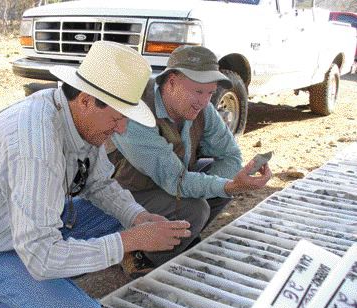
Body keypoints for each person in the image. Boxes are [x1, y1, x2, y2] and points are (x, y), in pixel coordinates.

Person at [0, 41, 191, 308]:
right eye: (118, 117)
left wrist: (136, 218)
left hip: (33, 225)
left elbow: (97, 184)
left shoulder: (74, 115)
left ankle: (41, 288)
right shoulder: (35, 144)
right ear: (85, 100)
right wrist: (129, 241)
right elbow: (41, 256)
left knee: (121, 215)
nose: (121, 129)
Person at [108, 45, 272, 278]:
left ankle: (179, 237)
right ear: (171, 82)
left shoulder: (201, 106)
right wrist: (227, 186)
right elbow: (178, 182)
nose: (205, 102)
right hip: (123, 194)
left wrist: (224, 183)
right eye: (198, 92)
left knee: (216, 182)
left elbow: (231, 155)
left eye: (209, 93)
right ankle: (138, 256)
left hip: (170, 182)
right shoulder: (136, 111)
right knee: (196, 208)